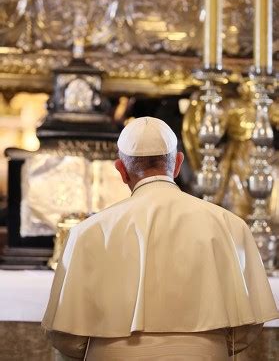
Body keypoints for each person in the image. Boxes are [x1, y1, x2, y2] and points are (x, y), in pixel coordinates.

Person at [42, 116, 278, 360]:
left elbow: (65, 334)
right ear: (177, 164)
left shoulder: (87, 232)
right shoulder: (229, 225)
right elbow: (249, 325)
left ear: (121, 171)